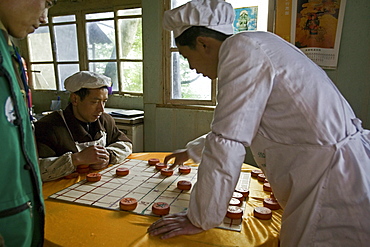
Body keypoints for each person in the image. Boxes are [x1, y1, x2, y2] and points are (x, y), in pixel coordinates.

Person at [147, 0, 370, 246]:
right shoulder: (257, 44)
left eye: (188, 57)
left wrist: (199, 217)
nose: (191, 67)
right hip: (336, 168)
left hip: (330, 180)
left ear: (203, 43)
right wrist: (191, 151)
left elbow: (228, 140)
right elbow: (242, 124)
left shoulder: (240, 49)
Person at [0, 0, 57, 246]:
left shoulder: (9, 49)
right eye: (46, 2)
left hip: (19, 221)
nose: (44, 17)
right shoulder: (55, 126)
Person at [34, 71, 132, 181]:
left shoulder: (105, 120)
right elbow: (35, 169)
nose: (101, 109)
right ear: (75, 99)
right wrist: (77, 159)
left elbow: (126, 144)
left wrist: (108, 155)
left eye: (104, 102)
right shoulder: (48, 127)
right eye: (95, 102)